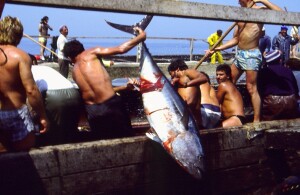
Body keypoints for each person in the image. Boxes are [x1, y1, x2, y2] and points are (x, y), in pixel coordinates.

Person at [62, 27, 146, 140]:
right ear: (82, 48)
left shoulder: (74, 73)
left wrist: (124, 87)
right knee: (127, 138)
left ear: (69, 57)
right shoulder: (92, 52)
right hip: (111, 105)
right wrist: (141, 37)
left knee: (102, 142)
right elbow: (121, 49)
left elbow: (96, 93)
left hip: (93, 111)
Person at [206, 0, 283, 123]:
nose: (237, 1)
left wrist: (262, 0)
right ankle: (233, 113)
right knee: (229, 81)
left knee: (251, 87)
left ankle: (256, 120)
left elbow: (282, 14)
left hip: (252, 54)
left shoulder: (259, 11)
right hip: (240, 54)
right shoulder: (240, 14)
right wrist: (217, 49)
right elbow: (236, 39)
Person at [0, 16, 48, 151]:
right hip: (16, 112)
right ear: (18, 34)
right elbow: (31, 90)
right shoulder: (20, 56)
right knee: (24, 157)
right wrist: (43, 116)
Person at [31, 65, 83, 146]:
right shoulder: (44, 68)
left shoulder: (25, 71)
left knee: (53, 134)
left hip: (54, 96)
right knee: (70, 133)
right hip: (74, 92)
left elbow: (31, 93)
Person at [258, 50, 299, 121]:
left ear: (267, 62)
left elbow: (259, 90)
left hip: (271, 102)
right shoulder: (288, 70)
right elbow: (295, 89)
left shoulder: (263, 71)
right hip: (290, 101)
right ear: (280, 60)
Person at [168, 58, 208, 128]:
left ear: (177, 69)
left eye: (171, 73)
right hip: (186, 118)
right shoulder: (178, 82)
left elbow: (204, 78)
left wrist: (187, 84)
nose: (171, 76)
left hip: (193, 120)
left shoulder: (188, 72)